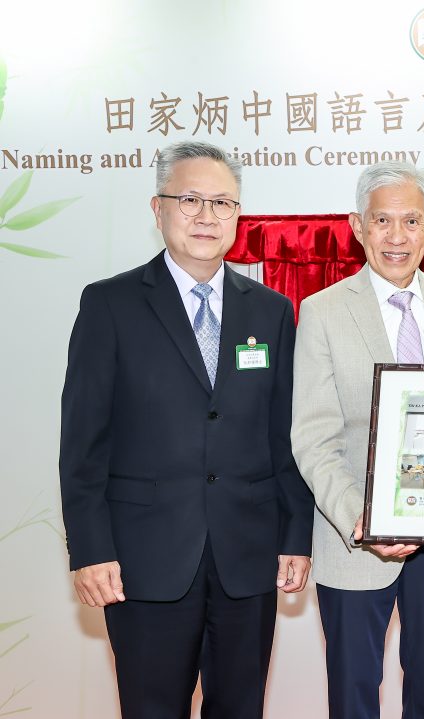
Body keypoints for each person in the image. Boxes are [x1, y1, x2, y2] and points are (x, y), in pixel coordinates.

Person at [59, 140, 314, 719]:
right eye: (191, 199)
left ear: (238, 216)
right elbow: (82, 445)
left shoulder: (270, 310)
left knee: (241, 708)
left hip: (246, 559)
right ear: (158, 209)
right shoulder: (110, 305)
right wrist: (90, 550)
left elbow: (284, 435)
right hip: (143, 560)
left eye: (222, 203)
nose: (206, 215)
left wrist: (295, 534)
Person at [291, 162, 424, 719]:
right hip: (355, 541)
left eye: (411, 221)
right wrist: (360, 520)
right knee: (353, 697)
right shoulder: (322, 311)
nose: (397, 237)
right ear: (358, 226)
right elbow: (313, 435)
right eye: (382, 220)